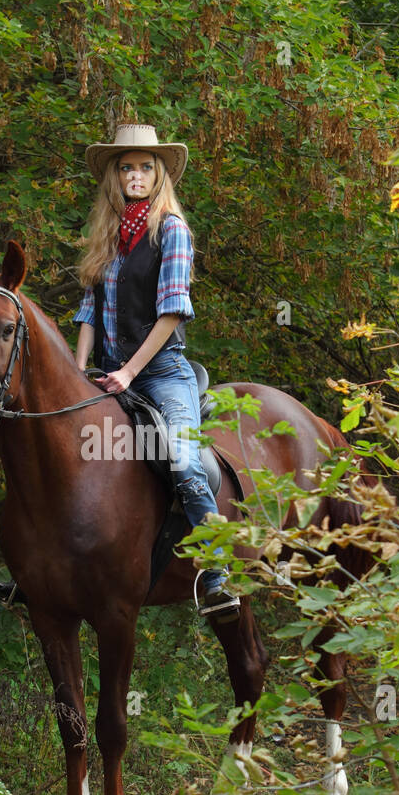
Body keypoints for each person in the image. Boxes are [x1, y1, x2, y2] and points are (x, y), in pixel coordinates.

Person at [74, 122, 240, 623]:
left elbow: (171, 314)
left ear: (159, 173)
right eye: (127, 167)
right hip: (107, 371)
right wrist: (78, 369)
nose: (136, 175)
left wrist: (127, 372)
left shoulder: (172, 230)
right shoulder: (106, 237)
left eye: (146, 166)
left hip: (162, 372)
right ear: (115, 177)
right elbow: (87, 313)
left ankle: (216, 573)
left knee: (184, 460)